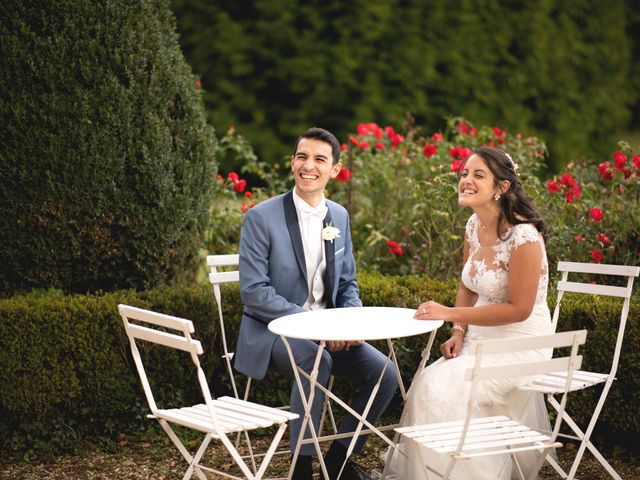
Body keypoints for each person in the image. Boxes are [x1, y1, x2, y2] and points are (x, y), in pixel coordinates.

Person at [235, 127, 398, 480]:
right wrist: (316, 328)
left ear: (334, 170)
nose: (308, 166)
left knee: (385, 373)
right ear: (293, 162)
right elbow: (254, 292)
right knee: (316, 358)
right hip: (272, 332)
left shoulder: (338, 217)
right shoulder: (260, 217)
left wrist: (348, 325)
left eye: (319, 159)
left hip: (328, 331)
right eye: (302, 157)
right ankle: (301, 467)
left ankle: (339, 459)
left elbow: (347, 284)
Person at [384, 147, 553, 479]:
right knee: (427, 384)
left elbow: (519, 310)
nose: (466, 180)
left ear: (501, 187)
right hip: (480, 340)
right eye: (464, 173)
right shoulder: (474, 226)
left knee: (441, 388)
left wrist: (448, 313)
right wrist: (458, 331)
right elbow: (469, 284)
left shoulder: (525, 237)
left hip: (521, 345)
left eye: (478, 175)